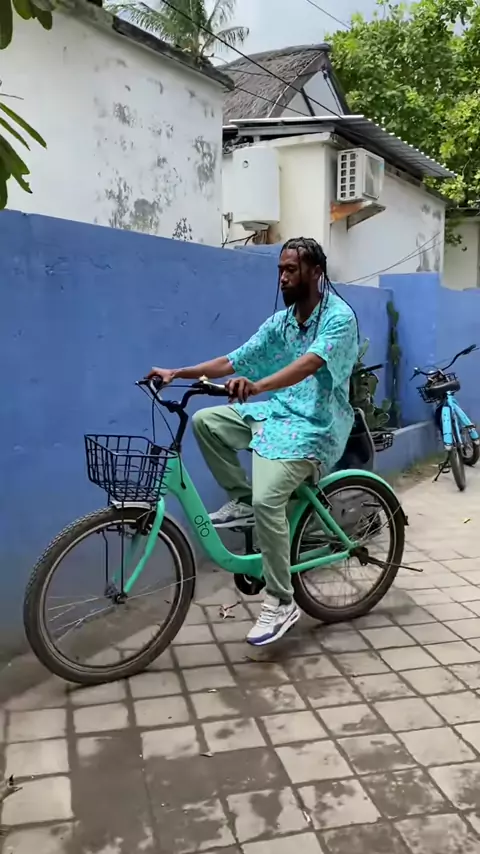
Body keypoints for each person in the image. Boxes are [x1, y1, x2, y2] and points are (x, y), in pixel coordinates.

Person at [147, 237, 359, 646]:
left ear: (316, 273)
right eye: (280, 270)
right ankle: (242, 500)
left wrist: (257, 386)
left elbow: (309, 364)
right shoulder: (282, 323)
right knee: (207, 422)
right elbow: (233, 360)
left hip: (316, 427)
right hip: (278, 415)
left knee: (269, 500)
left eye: (291, 270)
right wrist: (178, 372)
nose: (283, 278)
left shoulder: (338, 317)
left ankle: (281, 600)